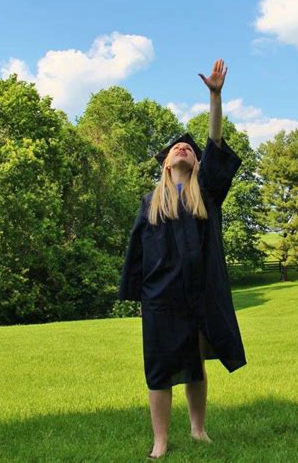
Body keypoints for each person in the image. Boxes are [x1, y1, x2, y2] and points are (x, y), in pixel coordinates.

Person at [117, 59, 247, 459]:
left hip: (199, 292)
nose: (183, 148)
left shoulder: (205, 192)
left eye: (188, 148)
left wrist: (215, 96)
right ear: (165, 162)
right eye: (177, 147)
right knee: (158, 368)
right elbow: (136, 252)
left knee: (195, 362)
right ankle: (159, 440)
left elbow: (214, 142)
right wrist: (136, 295)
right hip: (161, 297)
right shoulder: (150, 202)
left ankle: (197, 430)